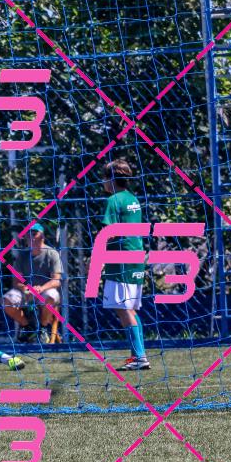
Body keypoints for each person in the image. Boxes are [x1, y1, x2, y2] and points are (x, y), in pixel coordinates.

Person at [98, 159, 149, 371]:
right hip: (136, 256)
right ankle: (137, 354)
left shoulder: (113, 200)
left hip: (120, 259)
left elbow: (108, 232)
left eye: (104, 177)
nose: (102, 182)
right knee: (130, 309)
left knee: (122, 308)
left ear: (111, 179)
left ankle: (139, 356)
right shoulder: (133, 199)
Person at [2, 223, 63, 343]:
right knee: (6, 300)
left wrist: (40, 288)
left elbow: (56, 281)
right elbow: (16, 281)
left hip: (44, 291)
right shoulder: (22, 255)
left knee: (51, 296)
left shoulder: (52, 254)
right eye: (28, 235)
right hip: (27, 292)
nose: (31, 238)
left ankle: (43, 329)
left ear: (42, 237)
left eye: (34, 234)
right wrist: (25, 288)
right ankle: (28, 328)